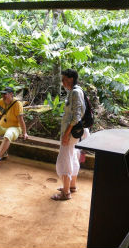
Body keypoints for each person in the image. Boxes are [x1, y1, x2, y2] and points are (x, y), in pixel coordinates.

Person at [51, 69, 90, 201]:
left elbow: (76, 117)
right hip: (75, 132)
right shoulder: (76, 91)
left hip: (72, 132)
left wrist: (66, 134)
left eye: (64, 79)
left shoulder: (75, 92)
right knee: (72, 155)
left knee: (64, 158)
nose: (62, 82)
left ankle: (66, 193)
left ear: (71, 79)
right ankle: (71, 186)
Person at [0, 86, 28, 167]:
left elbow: (21, 120)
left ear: (11, 94)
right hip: (2, 126)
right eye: (3, 94)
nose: (3, 95)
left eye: (6, 94)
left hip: (15, 127)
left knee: (8, 135)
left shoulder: (17, 104)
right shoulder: (1, 101)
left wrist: (24, 132)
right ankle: (3, 153)